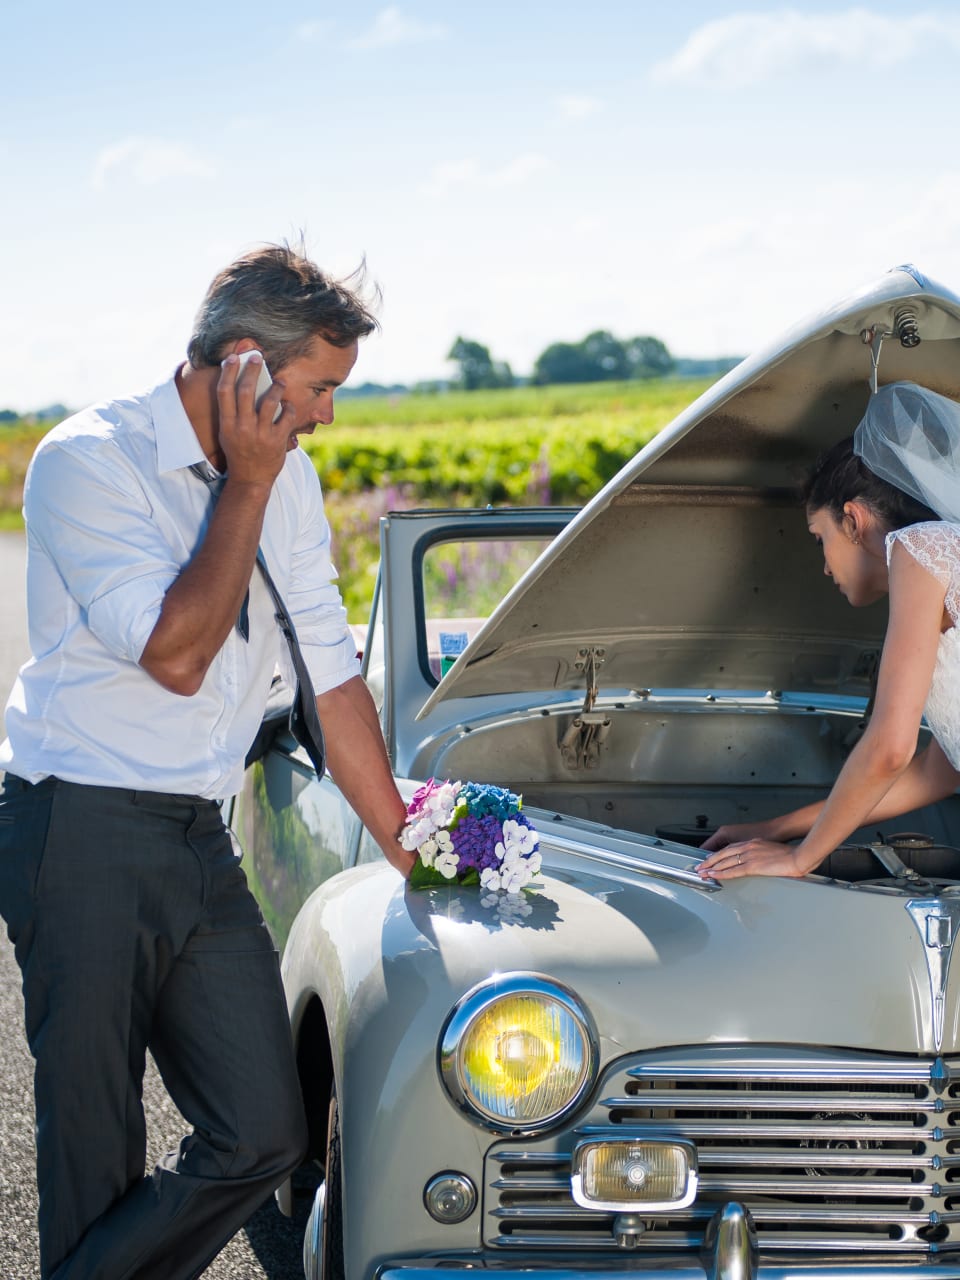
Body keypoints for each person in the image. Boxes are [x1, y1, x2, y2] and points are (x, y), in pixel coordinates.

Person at [0, 242, 415, 1279]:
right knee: (94, 1146)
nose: (326, 415)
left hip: (197, 825)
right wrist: (248, 481)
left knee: (265, 1129)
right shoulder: (87, 459)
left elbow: (330, 671)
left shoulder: (294, 477)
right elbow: (179, 652)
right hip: (78, 822)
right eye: (319, 388)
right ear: (244, 364)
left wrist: (410, 840)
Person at [697, 380, 960, 883]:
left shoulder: (921, 548)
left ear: (854, 519)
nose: (824, 566)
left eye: (820, 539)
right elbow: (934, 773)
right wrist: (776, 828)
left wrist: (800, 859)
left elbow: (890, 747)